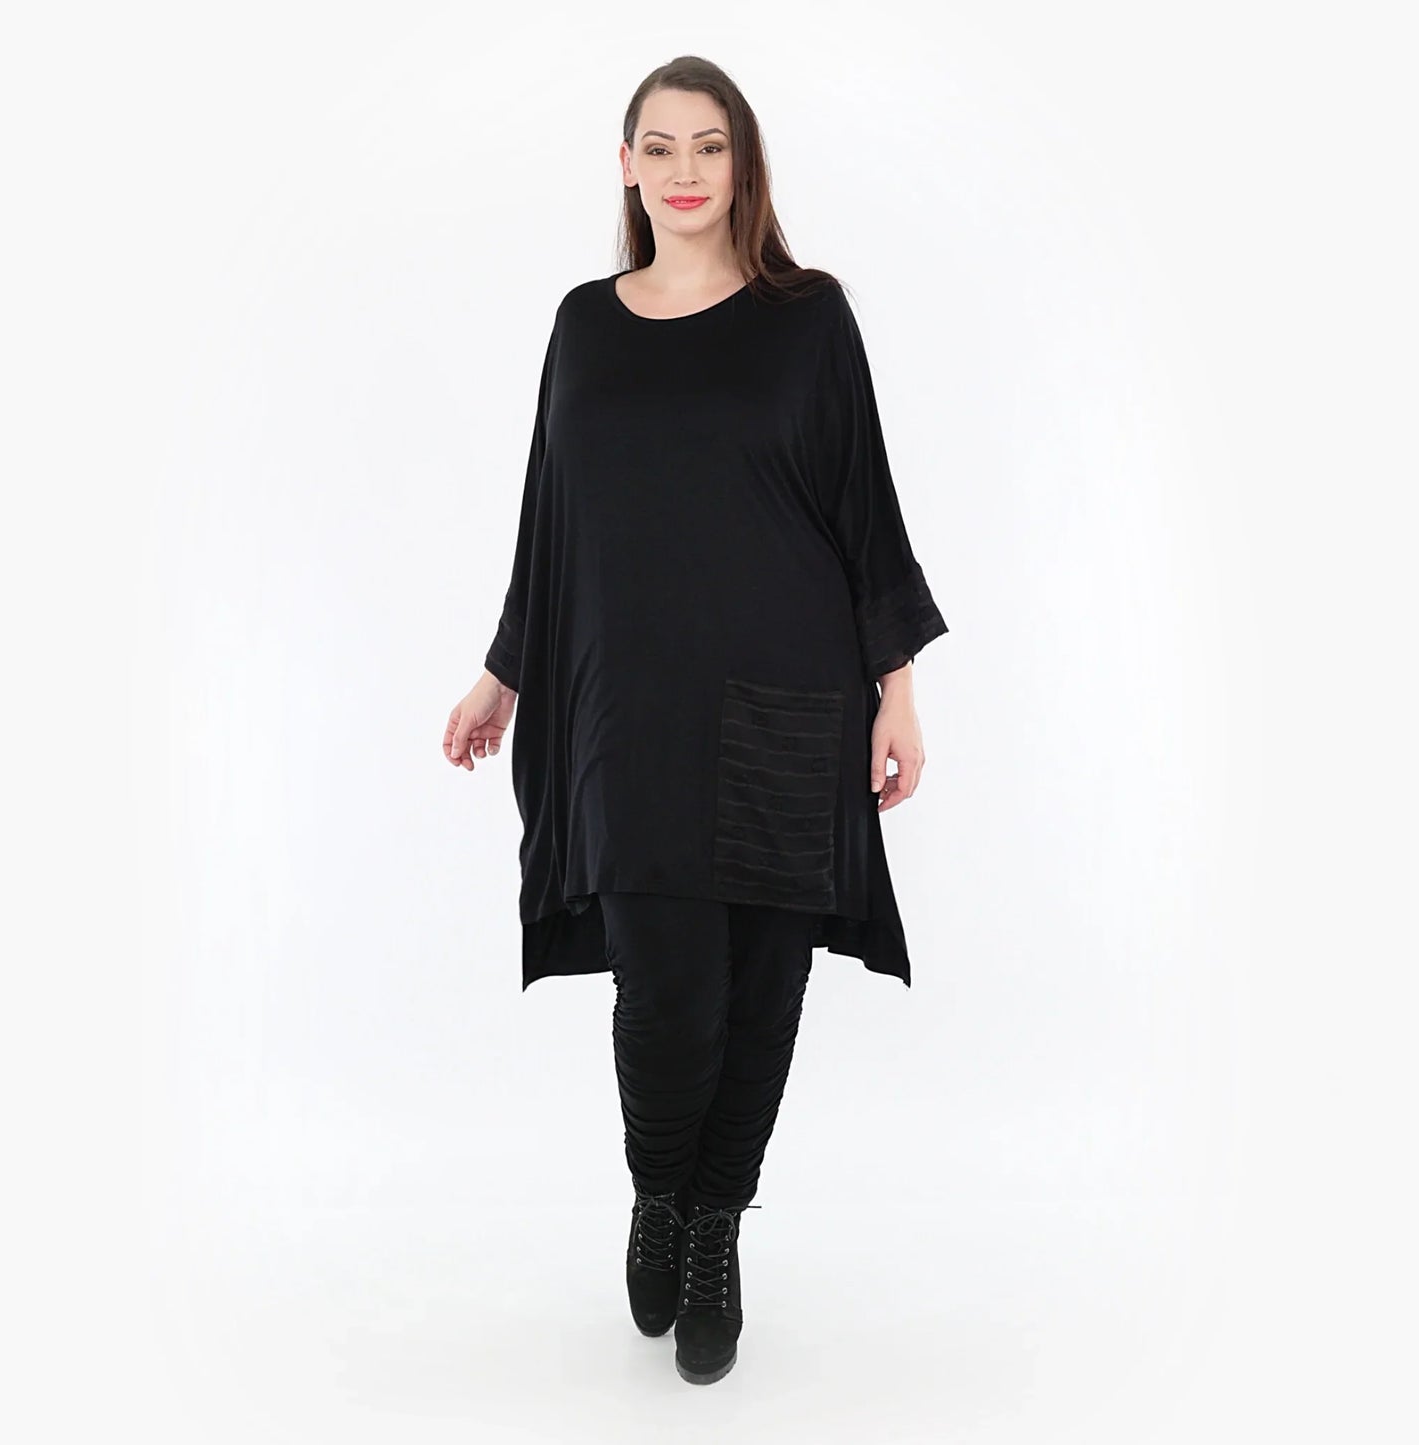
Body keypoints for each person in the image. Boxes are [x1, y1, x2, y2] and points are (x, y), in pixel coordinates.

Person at [443, 55, 950, 1386]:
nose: (684, 171)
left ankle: (717, 1223)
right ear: (626, 165)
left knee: (762, 993)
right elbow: (551, 517)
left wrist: (896, 688)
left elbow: (863, 505)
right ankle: (658, 1192)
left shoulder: (808, 317)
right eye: (659, 146)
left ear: (742, 164)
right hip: (631, 705)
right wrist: (504, 672)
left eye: (708, 146)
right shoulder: (584, 325)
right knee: (667, 994)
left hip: (792, 694)